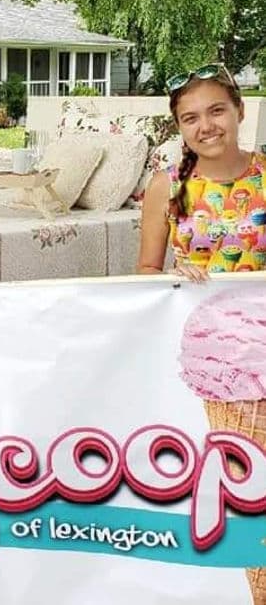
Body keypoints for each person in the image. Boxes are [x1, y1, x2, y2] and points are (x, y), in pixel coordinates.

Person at [138, 63, 266, 603]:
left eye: (216, 110)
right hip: (213, 364)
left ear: (240, 110)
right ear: (179, 128)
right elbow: (144, 274)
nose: (205, 125)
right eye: (190, 118)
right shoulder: (168, 188)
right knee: (237, 477)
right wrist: (170, 276)